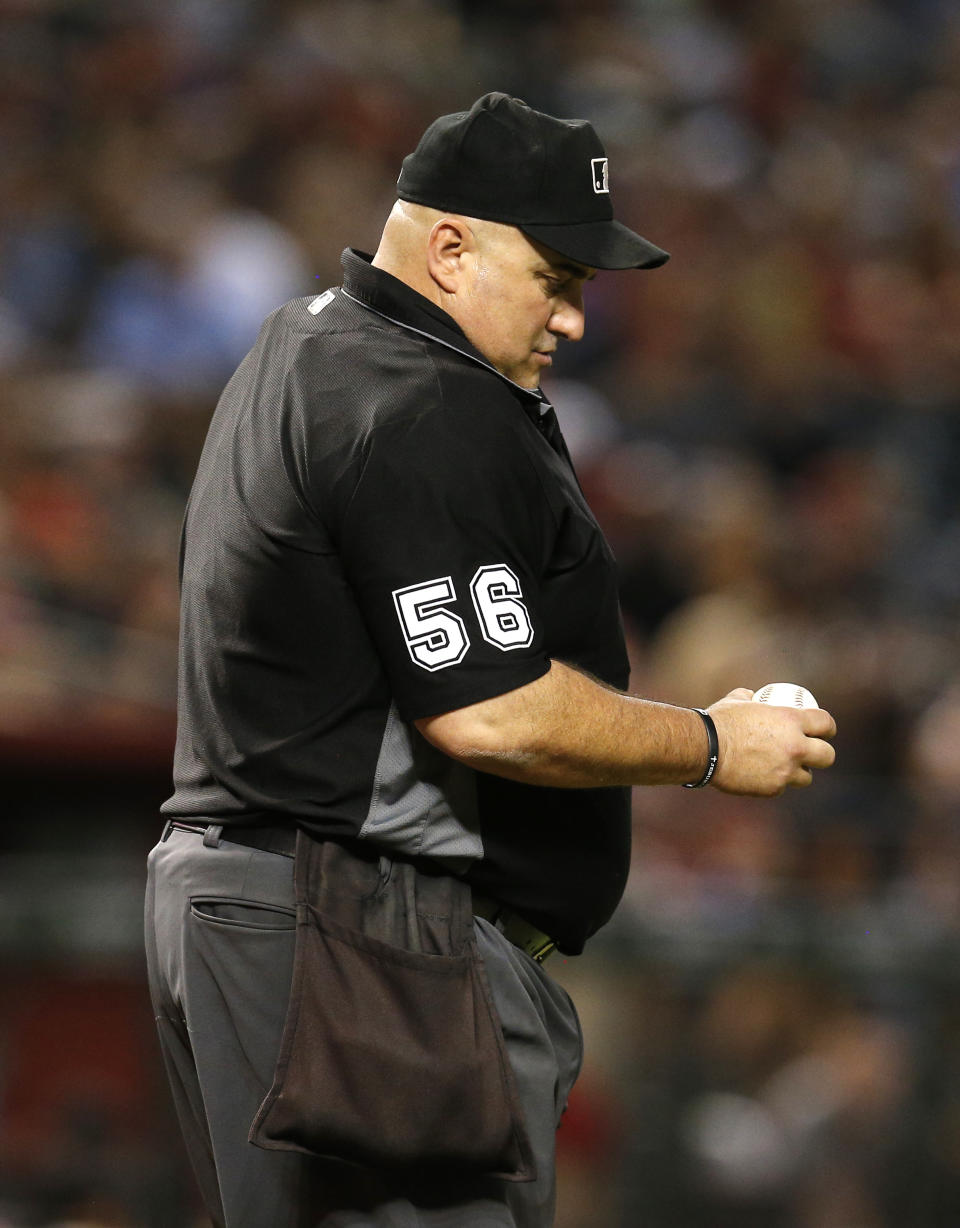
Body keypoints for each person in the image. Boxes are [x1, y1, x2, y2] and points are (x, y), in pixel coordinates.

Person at [144, 92, 836, 1228]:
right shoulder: (412, 396)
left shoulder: (306, 344)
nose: (572, 318)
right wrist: (712, 744)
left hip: (276, 903)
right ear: (451, 249)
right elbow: (492, 711)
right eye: (554, 278)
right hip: (349, 928)